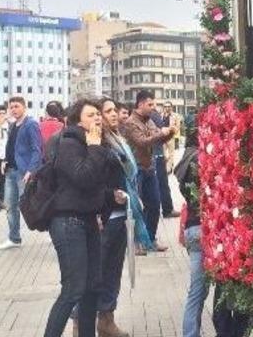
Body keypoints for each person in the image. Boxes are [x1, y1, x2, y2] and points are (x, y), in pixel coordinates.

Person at [43, 99, 127, 337]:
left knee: (92, 288)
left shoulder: (95, 144)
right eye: (91, 115)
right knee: (73, 289)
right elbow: (83, 178)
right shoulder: (70, 143)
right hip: (68, 223)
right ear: (78, 121)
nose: (97, 119)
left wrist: (111, 195)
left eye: (97, 114)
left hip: (89, 220)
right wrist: (94, 148)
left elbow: (93, 186)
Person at [176, 116, 248, 337]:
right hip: (210, 230)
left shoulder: (185, 159)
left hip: (192, 229)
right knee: (226, 285)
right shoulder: (204, 157)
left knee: (196, 292)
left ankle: (190, 334)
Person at [92, 98, 154, 337]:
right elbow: (90, 180)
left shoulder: (117, 140)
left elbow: (129, 172)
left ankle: (107, 319)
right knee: (95, 272)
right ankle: (81, 321)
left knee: (113, 271)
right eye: (107, 111)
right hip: (104, 216)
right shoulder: (96, 143)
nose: (113, 115)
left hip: (122, 214)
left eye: (114, 110)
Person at [121, 90, 177, 251]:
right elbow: (142, 142)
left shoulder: (149, 121)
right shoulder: (131, 122)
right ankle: (138, 242)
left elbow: (156, 138)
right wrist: (161, 133)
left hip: (149, 168)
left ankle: (150, 239)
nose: (153, 107)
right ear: (140, 104)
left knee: (154, 204)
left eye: (154, 104)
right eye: (150, 104)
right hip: (136, 169)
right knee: (137, 207)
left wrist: (169, 133)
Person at [0, 96, 43, 250]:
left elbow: (37, 149)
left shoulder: (31, 124)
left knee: (31, 205)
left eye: (16, 106)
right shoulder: (13, 125)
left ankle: (52, 230)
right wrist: (4, 161)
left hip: (23, 172)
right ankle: (14, 238)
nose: (13, 110)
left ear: (24, 107)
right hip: (10, 171)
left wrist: (31, 170)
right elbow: (12, 147)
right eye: (11, 107)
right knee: (10, 206)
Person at [151, 105, 179, 219]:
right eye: (151, 104)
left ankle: (166, 209)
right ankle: (166, 209)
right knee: (162, 183)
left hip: (159, 151)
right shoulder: (154, 115)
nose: (154, 106)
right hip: (156, 154)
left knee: (162, 183)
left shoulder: (153, 115)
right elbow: (161, 131)